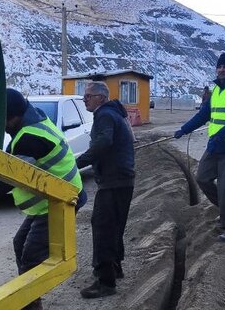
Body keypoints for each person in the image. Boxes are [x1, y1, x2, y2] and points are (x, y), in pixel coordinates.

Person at [5, 88, 87, 310]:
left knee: (31, 257)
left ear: (13, 117)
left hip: (61, 201)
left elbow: (9, 173)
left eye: (4, 120)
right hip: (50, 201)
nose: (2, 126)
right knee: (19, 243)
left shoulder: (29, 138)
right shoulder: (35, 120)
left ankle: (30, 305)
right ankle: (31, 300)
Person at [173, 52, 225, 242]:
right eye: (219, 66)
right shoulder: (216, 91)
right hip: (216, 145)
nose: (221, 69)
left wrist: (220, 136)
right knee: (202, 178)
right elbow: (203, 116)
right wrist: (184, 129)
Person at [76, 82, 135, 299]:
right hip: (123, 180)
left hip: (113, 180)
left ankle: (105, 282)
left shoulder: (104, 116)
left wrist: (78, 163)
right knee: (115, 226)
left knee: (102, 228)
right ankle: (115, 268)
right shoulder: (115, 114)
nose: (85, 100)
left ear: (101, 98)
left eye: (88, 96)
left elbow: (103, 142)